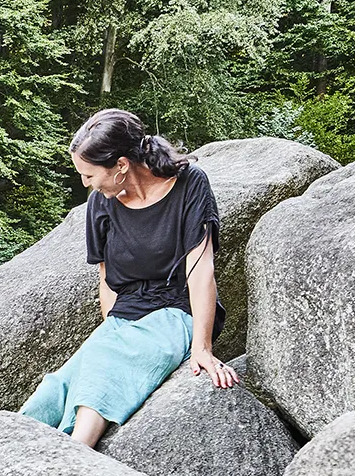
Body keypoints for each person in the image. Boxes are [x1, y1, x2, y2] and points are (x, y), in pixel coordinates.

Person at [21, 107, 237, 448]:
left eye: (89, 175)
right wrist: (111, 332)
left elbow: (201, 270)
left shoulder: (190, 184)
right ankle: (12, 451)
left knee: (103, 370)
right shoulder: (101, 204)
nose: (85, 183)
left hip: (176, 311)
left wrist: (202, 347)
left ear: (121, 165)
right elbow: (107, 280)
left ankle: (77, 454)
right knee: (56, 388)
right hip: (125, 316)